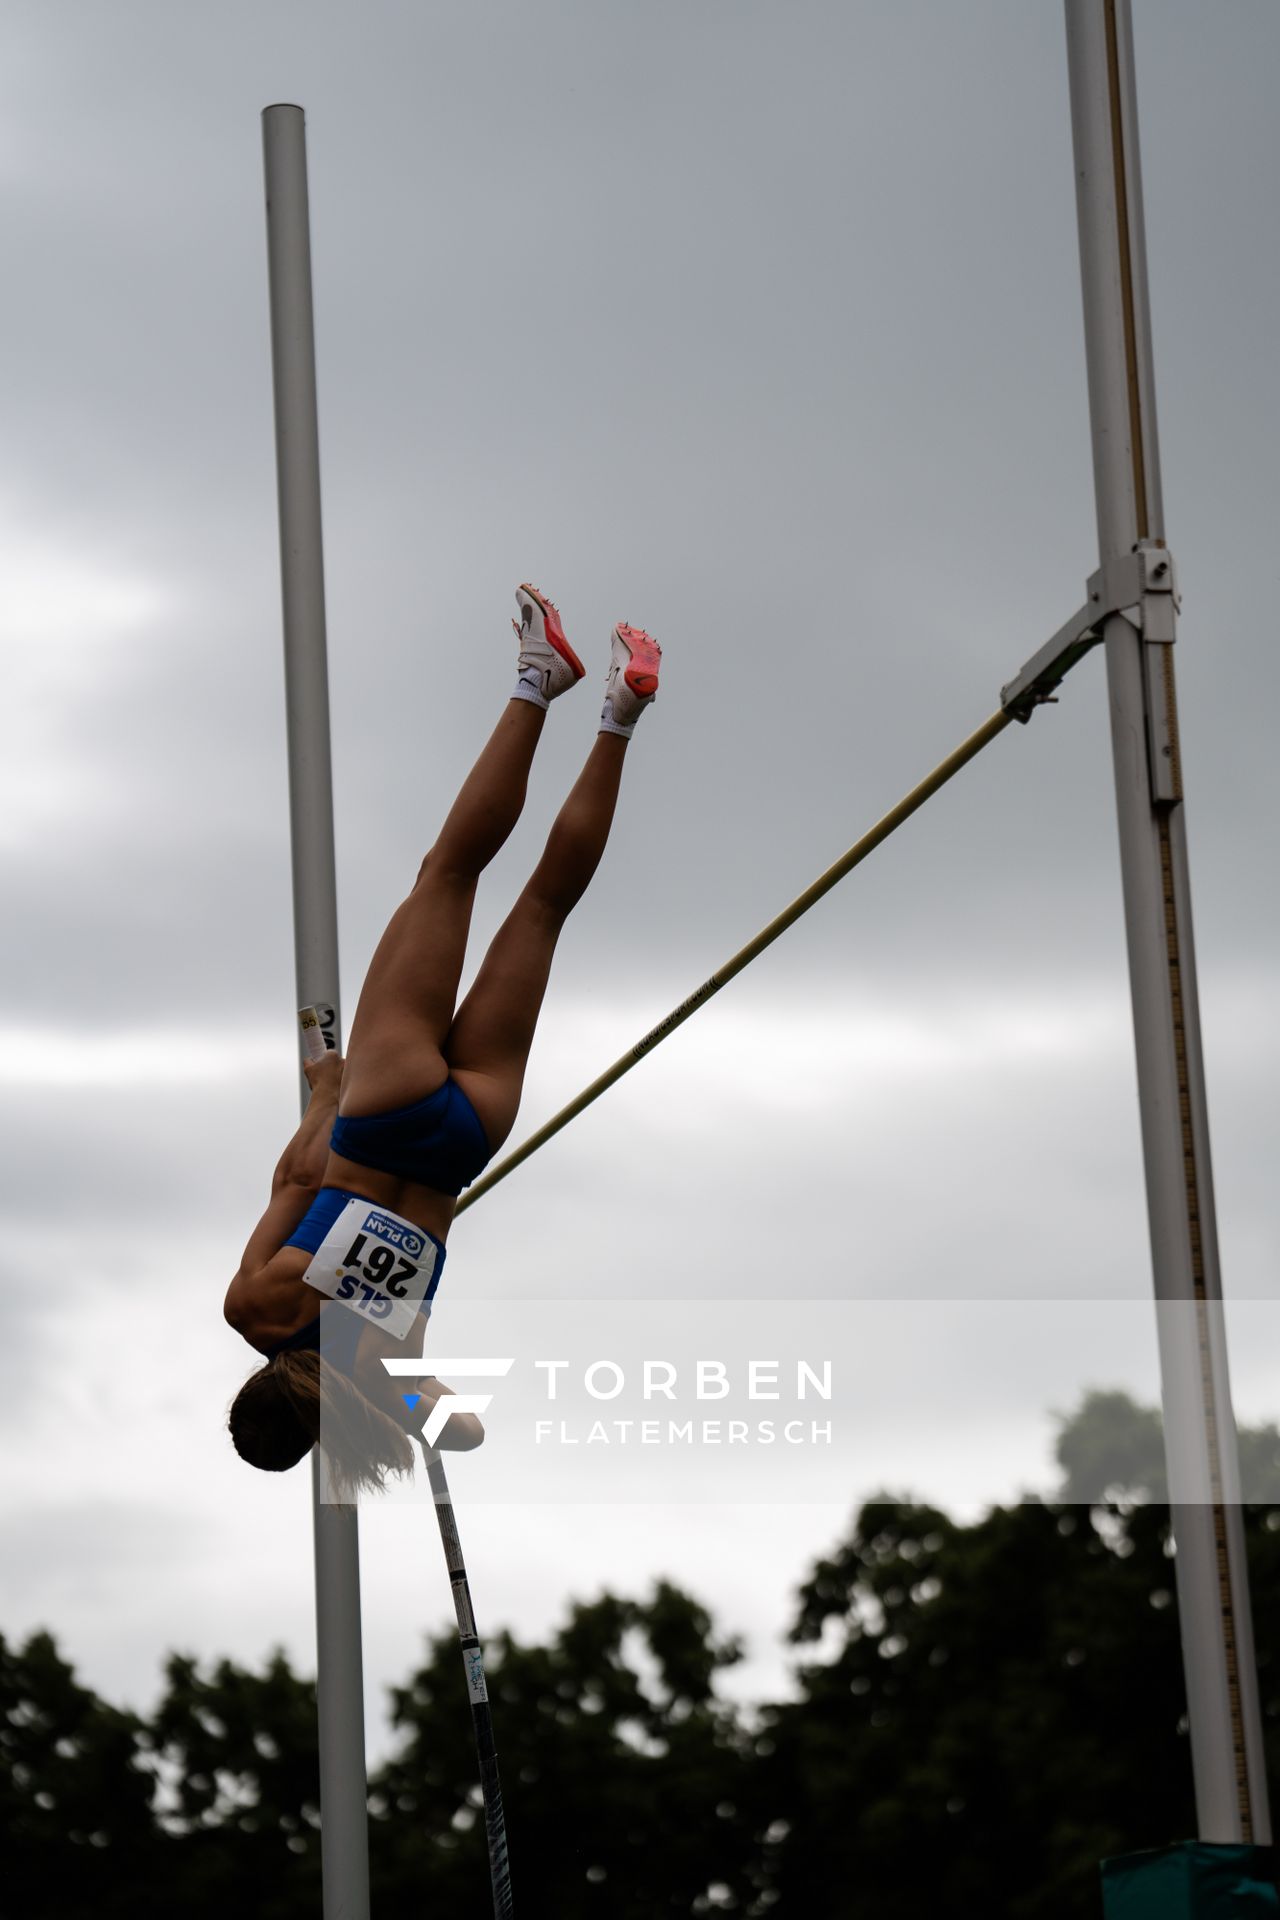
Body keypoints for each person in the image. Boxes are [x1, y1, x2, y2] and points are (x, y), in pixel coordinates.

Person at [224, 586, 661, 1496]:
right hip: (380, 1112)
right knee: (449, 875)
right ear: (255, 1385)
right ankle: (540, 684)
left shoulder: (386, 1376)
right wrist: (325, 1094)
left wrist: (398, 1416)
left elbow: (466, 1432)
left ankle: (620, 716)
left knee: (546, 909)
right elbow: (299, 1182)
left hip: (464, 1138)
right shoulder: (255, 1312)